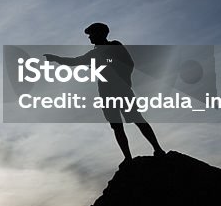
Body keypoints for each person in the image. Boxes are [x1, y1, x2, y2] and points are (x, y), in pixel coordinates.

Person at [43, 22, 165, 164]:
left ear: (100, 33)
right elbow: (75, 61)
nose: (89, 38)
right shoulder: (93, 53)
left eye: (91, 34)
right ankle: (128, 158)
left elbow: (128, 63)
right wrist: (56, 58)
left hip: (121, 90)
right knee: (116, 126)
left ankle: (158, 149)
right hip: (106, 93)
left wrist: (108, 67)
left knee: (137, 119)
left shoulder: (114, 45)